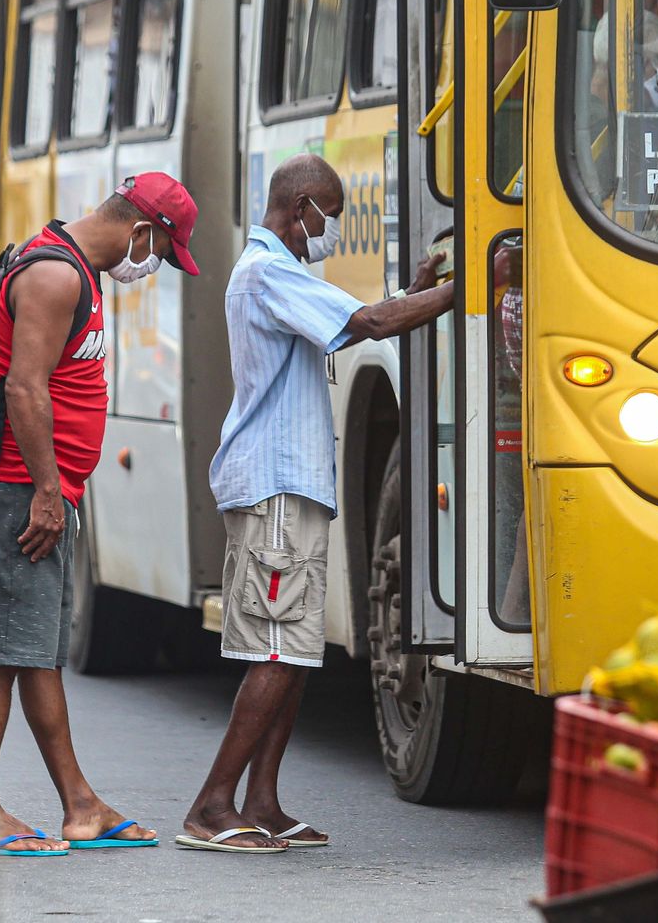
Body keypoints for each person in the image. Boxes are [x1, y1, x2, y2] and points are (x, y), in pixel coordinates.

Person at [180, 154, 453, 853]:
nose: (329, 228)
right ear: (300, 206)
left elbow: (369, 315)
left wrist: (420, 289)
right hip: (275, 486)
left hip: (290, 485)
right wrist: (464, 290)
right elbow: (373, 322)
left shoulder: (281, 274)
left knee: (295, 652)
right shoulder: (269, 273)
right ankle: (213, 805)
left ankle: (263, 802)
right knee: (276, 651)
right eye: (327, 214)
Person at [0, 172, 200, 856]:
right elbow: (24, 390)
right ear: (142, 231)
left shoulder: (76, 270)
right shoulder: (56, 278)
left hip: (33, 492)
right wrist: (44, 491)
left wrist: (58, 490)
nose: (152, 268)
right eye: (161, 253)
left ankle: (80, 805)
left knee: (35, 655)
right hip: (8, 491)